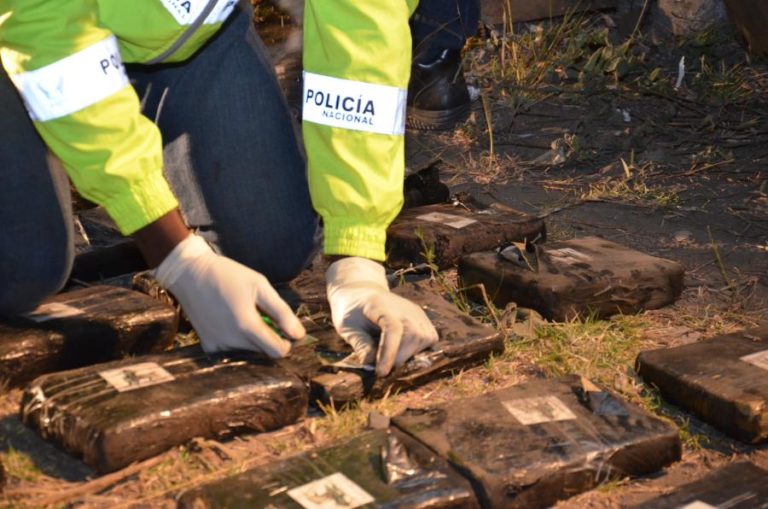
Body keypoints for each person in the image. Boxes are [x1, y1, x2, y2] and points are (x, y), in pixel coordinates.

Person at [0, 0, 477, 377]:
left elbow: (361, 38)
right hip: (31, 30)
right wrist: (176, 256)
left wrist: (357, 255)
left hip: (189, 33)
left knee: (272, 247)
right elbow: (53, 48)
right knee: (24, 267)